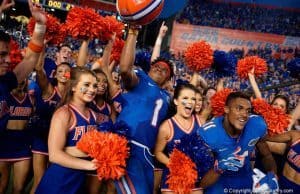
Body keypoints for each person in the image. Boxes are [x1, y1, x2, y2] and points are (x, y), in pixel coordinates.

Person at [113, 25, 173, 194]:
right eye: (156, 66)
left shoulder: (167, 96)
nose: (159, 68)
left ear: (168, 79)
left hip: (147, 151)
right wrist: (133, 33)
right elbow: (124, 69)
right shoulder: (141, 78)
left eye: (165, 70)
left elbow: (158, 63)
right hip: (128, 143)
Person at [198, 92, 278, 193]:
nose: (245, 115)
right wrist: (218, 169)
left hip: (245, 182)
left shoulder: (256, 125)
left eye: (248, 111)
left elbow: (267, 155)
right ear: (226, 109)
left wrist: (272, 175)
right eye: (239, 108)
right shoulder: (207, 133)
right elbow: (201, 183)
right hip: (218, 184)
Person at [35, 67, 99, 194]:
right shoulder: (64, 113)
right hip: (59, 180)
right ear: (73, 87)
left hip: (78, 179)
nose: (92, 89)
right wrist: (91, 165)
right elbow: (54, 155)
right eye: (87, 85)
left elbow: (86, 147)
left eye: (95, 86)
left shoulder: (93, 114)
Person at [155, 83, 204, 193]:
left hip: (195, 178)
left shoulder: (201, 122)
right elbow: (158, 152)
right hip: (173, 179)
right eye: (185, 98)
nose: (190, 102)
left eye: (193, 99)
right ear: (176, 101)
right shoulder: (166, 126)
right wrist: (175, 166)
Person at [0, 79, 34, 194]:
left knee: (19, 188)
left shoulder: (31, 98)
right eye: (18, 79)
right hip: (4, 143)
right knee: (1, 187)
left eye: (23, 79)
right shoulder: (5, 97)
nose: (21, 81)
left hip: (23, 145)